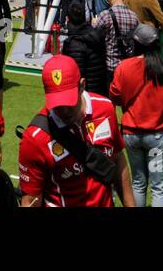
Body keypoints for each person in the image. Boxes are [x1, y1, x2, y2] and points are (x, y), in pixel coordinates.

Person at [18, 54, 135, 207]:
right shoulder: (34, 139)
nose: (64, 110)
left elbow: (118, 159)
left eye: (68, 101)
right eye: (57, 104)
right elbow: (30, 201)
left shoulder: (105, 109)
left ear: (82, 86)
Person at [109, 23, 163, 206]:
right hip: (156, 135)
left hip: (131, 134)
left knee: (138, 182)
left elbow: (115, 96)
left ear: (136, 43)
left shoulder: (123, 67)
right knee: (159, 186)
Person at [94, 0, 139, 83]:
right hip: (127, 67)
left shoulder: (105, 15)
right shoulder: (134, 16)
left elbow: (95, 34)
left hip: (110, 66)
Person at [62, 1, 109, 97]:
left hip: (85, 93)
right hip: (99, 89)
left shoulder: (74, 43)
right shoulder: (96, 35)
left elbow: (76, 74)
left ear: (68, 19)